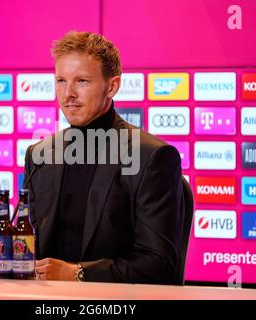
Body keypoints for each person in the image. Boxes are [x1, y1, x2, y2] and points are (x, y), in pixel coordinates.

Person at [25, 31, 184, 284]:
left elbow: (159, 263)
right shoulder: (40, 155)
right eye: (61, 81)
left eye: (82, 81)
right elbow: (30, 246)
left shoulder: (152, 157)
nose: (68, 94)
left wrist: (77, 274)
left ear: (112, 86)